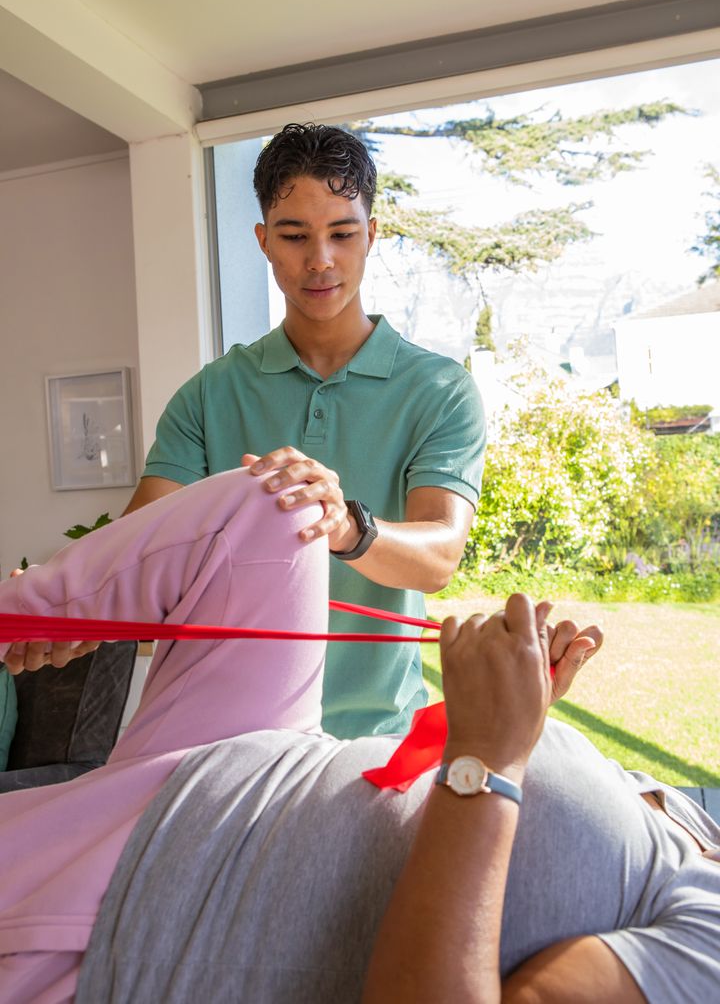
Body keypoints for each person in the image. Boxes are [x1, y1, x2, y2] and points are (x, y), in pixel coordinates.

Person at [1, 469, 718, 1004]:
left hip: (169, 904)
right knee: (282, 501)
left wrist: (488, 756)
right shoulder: (685, 815)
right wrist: (525, 704)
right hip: (246, 762)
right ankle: (24, 615)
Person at [5, 123, 486, 740]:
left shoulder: (439, 390)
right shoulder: (210, 394)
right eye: (294, 235)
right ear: (263, 241)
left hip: (369, 738)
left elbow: (439, 557)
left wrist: (342, 525)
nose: (321, 260)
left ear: (373, 235)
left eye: (343, 233)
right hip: (216, 746)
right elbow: (136, 556)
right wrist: (54, 611)